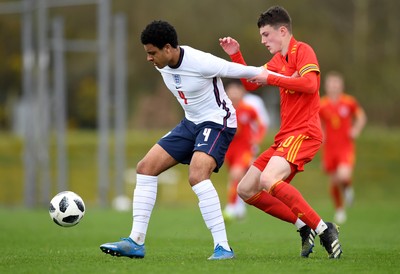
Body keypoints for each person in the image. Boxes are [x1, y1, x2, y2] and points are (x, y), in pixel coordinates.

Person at [99, 20, 269, 261]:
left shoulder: (201, 62)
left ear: (168, 48)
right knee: (145, 168)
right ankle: (135, 241)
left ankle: (223, 247)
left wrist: (285, 77)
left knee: (197, 175)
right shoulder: (161, 64)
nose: (149, 58)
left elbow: (247, 72)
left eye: (152, 53)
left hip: (218, 121)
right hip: (190, 123)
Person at [219, 6, 343, 258]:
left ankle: (324, 229)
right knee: (246, 189)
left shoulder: (302, 51)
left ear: (282, 31)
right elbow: (249, 83)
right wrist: (236, 55)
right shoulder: (278, 60)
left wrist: (274, 78)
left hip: (304, 133)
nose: (263, 41)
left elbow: (310, 84)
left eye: (266, 35)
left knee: (267, 180)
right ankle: (303, 225)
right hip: (285, 136)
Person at [319, 71, 367, 224]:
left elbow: (361, 117)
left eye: (336, 83)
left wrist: (356, 130)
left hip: (345, 147)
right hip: (329, 148)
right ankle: (340, 210)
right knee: (334, 181)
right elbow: (317, 122)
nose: (333, 86)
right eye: (331, 83)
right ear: (326, 86)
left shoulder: (349, 102)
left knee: (343, 175)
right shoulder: (322, 103)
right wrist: (321, 135)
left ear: (341, 85)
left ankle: (347, 189)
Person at [223, 80, 267, 221]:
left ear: (242, 92)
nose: (234, 93)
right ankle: (240, 206)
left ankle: (230, 207)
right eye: (231, 90)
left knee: (236, 174)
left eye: (237, 90)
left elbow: (261, 125)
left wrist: (257, 139)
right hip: (229, 149)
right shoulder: (222, 109)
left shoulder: (248, 109)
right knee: (237, 177)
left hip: (245, 149)